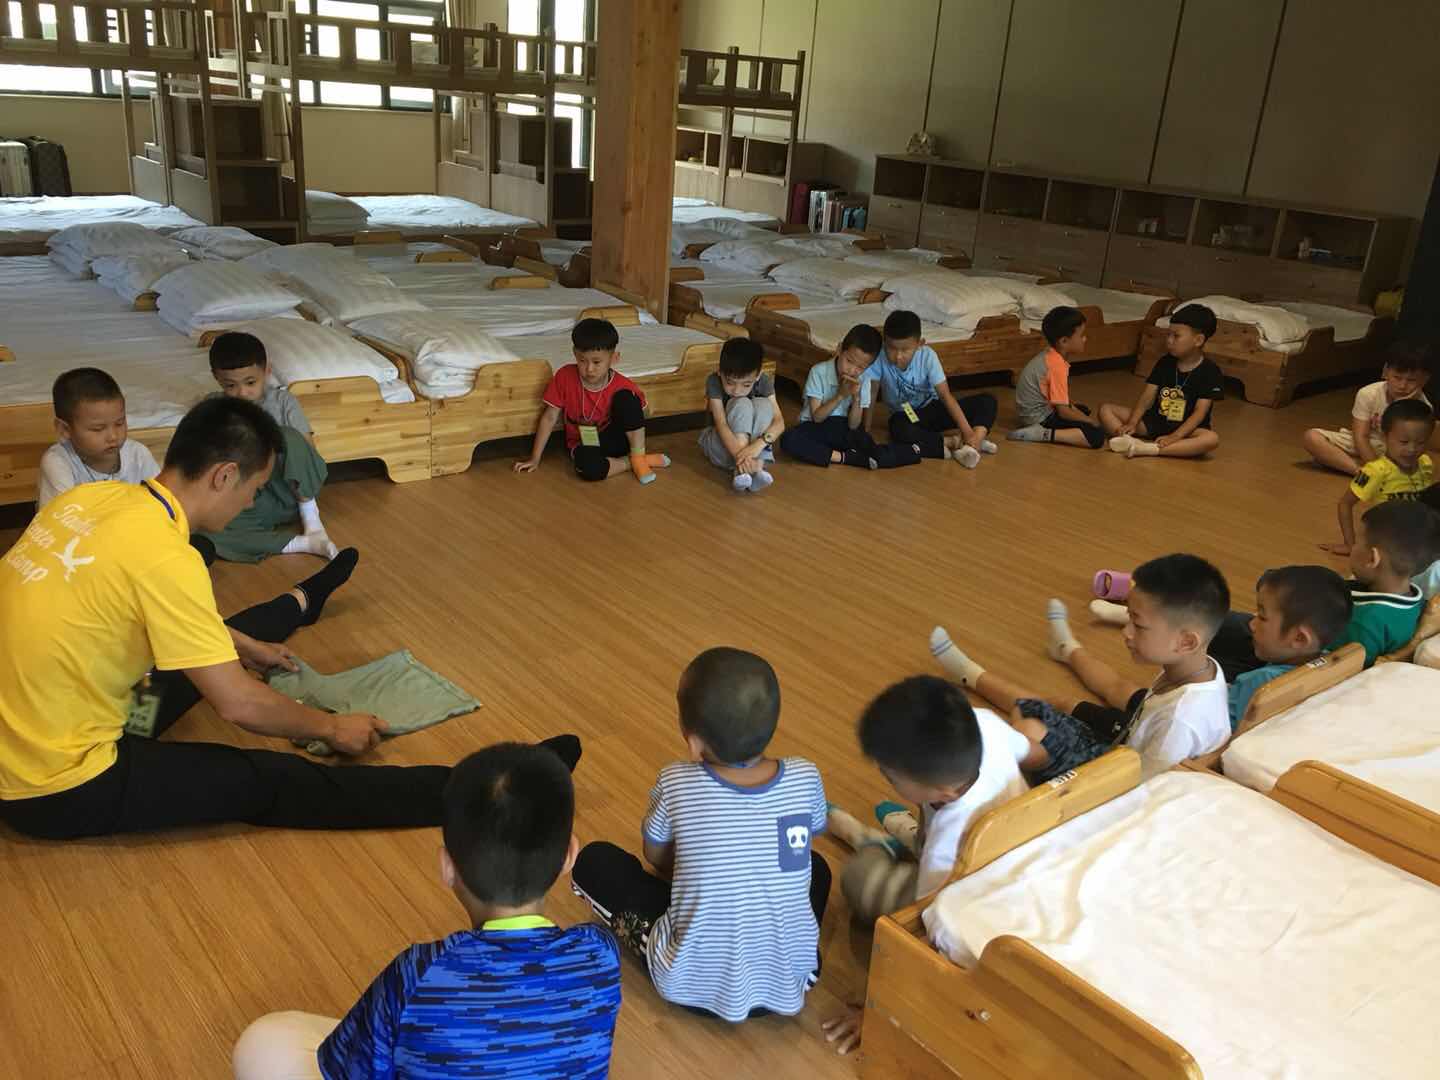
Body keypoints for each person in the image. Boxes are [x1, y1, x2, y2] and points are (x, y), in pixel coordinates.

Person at [0, 396, 562, 840]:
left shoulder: (90, 502)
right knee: (265, 779)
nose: (251, 503)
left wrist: (247, 648)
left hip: (33, 733)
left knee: (232, 637)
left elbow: (126, 609)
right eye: (253, 488)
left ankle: (304, 599)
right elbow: (239, 705)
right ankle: (491, 792)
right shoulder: (166, 558)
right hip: (54, 786)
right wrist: (331, 727)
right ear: (223, 476)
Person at [232, 739, 622, 1080]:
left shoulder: (416, 973)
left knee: (264, 1042)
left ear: (447, 867)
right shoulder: (601, 953)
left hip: (394, 1025)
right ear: (569, 855)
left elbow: (352, 1071)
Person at [570, 648, 831, 1022]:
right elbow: (807, 836)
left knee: (594, 861)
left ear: (693, 743)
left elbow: (655, 855)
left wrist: (701, 870)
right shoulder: (805, 776)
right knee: (816, 866)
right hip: (793, 979)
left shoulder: (676, 781)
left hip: (690, 983)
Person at [820, 675, 1030, 1058]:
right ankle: (908, 835)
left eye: (890, 776)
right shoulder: (985, 725)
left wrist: (877, 1006)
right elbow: (1027, 749)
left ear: (945, 792)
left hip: (962, 883)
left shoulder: (945, 849)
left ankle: (872, 842)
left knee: (861, 879)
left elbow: (923, 932)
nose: (883, 774)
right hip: (1004, 842)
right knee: (927, 827)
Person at [930, 554, 1230, 782]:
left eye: (1138, 625)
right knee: (1049, 708)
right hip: (1123, 748)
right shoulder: (1198, 668)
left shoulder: (1180, 722)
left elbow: (1142, 792)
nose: (1126, 632)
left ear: (1187, 642)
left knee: (1030, 724)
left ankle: (970, 674)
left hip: (1110, 779)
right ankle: (980, 672)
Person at [1213, 501, 1436, 673]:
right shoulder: (1414, 603)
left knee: (1212, 631)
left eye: (1356, 542)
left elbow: (1329, 669)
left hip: (1279, 659)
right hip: (1282, 642)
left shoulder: (1364, 623)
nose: (1352, 547)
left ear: (1372, 558)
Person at [203, 331, 339, 561]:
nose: (242, 393)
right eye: (230, 385)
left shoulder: (283, 401)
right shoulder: (213, 407)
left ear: (267, 371)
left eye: (250, 383)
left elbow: (307, 449)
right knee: (204, 528)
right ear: (217, 378)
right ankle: (301, 543)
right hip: (251, 501)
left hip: (290, 491)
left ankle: (312, 521)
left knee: (286, 435)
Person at [514, 317, 671, 485]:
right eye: (582, 360)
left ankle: (638, 457)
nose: (589, 369)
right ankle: (633, 461)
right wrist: (535, 458)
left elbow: (642, 415)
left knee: (627, 398)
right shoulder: (564, 377)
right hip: (585, 443)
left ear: (614, 358)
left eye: (596, 362)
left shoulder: (623, 384)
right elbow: (549, 417)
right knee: (587, 468)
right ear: (575, 353)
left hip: (618, 440)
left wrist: (630, 416)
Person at [866, 309, 999, 468]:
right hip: (906, 415)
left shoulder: (927, 357)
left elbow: (945, 396)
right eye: (892, 348)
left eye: (905, 350)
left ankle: (974, 440)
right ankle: (955, 443)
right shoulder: (879, 358)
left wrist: (967, 432)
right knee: (898, 428)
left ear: (919, 344)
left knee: (987, 401)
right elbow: (871, 394)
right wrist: (865, 432)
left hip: (933, 408)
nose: (898, 356)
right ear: (884, 342)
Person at [778, 324, 920, 470]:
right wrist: (840, 396)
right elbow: (817, 418)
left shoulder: (864, 379)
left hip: (844, 427)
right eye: (849, 361)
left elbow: (853, 425)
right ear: (839, 349)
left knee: (872, 449)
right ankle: (846, 458)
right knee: (789, 439)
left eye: (860, 367)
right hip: (816, 427)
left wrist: (857, 398)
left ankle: (912, 451)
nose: (852, 370)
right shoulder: (819, 371)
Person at [1229, 566, 1352, 728]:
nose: (1252, 624)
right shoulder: (1334, 661)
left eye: (1262, 617)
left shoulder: (1260, 684)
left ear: (1299, 639)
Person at [1100, 304, 1223, 459]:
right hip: (1156, 422)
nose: (1169, 341)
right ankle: (1133, 443)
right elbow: (1147, 397)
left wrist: (1175, 436)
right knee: (1106, 410)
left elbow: (1200, 412)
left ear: (1198, 340)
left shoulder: (1210, 371)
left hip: (1187, 431)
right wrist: (1132, 423)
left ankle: (1148, 448)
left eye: (1176, 336)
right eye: (1168, 335)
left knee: (1211, 439)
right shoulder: (1165, 362)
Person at [1322, 397, 1434, 555]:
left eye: (1421, 442)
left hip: (1419, 537)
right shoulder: (1374, 471)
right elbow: (1345, 504)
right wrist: (1349, 544)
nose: (1412, 449)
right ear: (1384, 437)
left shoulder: (1425, 463)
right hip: (1389, 542)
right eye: (1403, 442)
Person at [1302, 343, 1433, 476]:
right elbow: (1360, 435)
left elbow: (1410, 446)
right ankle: (1360, 472)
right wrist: (1375, 467)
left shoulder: (1423, 407)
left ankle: (1343, 462)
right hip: (1364, 443)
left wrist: (1402, 405)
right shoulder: (1368, 393)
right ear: (1385, 372)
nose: (1402, 385)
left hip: (1394, 449)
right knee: (1312, 437)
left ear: (1424, 380)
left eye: (1411, 380)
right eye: (1397, 378)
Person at [36, 367, 160, 507]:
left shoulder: (138, 455)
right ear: (65, 429)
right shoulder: (58, 462)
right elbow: (60, 517)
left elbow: (164, 501)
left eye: (119, 423)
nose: (113, 436)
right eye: (98, 429)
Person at [1007, 306, 1105, 449]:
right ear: (1064, 341)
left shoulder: (1051, 355)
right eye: (1081, 335)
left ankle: (1042, 430)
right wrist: (1090, 422)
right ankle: (1043, 434)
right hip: (1038, 418)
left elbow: (1064, 403)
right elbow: (1063, 411)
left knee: (1082, 410)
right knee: (1096, 436)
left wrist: (1082, 416)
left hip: (1031, 414)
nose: (1085, 339)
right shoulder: (1056, 365)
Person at [697, 337, 784, 493]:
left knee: (764, 405)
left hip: (753, 452)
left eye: (746, 384)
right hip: (721, 445)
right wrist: (743, 457)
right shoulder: (714, 381)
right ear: (719, 371)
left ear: (758, 375)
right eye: (730, 383)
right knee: (742, 403)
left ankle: (751, 471)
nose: (737, 390)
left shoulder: (764, 381)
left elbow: (779, 423)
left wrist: (756, 447)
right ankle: (746, 470)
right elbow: (721, 423)